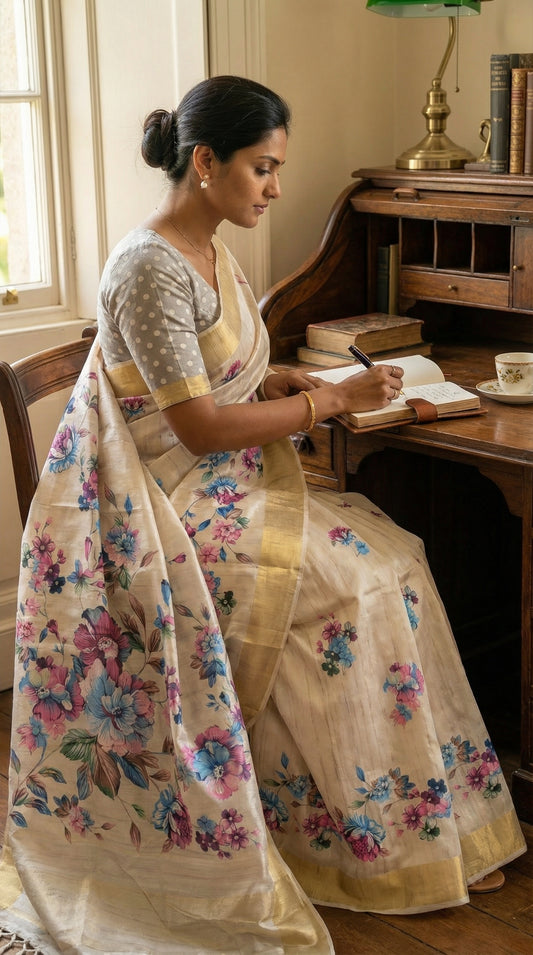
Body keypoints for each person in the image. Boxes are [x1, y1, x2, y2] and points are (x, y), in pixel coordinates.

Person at [0, 75, 526, 955]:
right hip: (158, 507)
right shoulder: (147, 265)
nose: (275, 188)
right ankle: (348, 841)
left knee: (396, 555)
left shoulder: (210, 245)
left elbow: (214, 382)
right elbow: (197, 427)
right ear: (204, 163)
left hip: (221, 476)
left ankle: (421, 825)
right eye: (262, 169)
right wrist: (325, 404)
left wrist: (278, 380)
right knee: (355, 582)